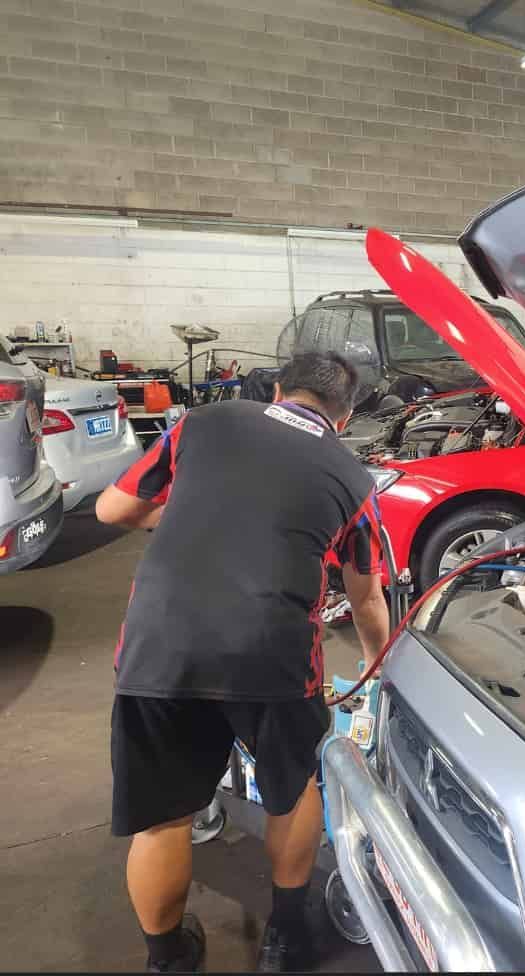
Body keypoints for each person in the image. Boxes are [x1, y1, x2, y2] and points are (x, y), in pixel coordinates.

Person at [98, 352, 391, 973]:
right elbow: (365, 593)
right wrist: (374, 666)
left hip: (160, 650)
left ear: (279, 389)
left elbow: (110, 510)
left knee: (163, 817)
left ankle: (168, 958)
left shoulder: (203, 422)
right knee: (292, 792)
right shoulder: (354, 477)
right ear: (344, 415)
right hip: (274, 660)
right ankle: (286, 942)